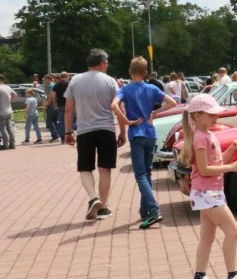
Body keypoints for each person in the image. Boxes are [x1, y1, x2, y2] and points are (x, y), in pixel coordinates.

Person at [180, 94, 237, 279]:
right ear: (197, 116)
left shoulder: (206, 134)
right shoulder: (200, 137)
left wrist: (231, 149)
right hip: (207, 193)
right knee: (233, 232)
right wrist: (232, 167)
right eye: (211, 114)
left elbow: (216, 162)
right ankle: (232, 276)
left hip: (209, 192)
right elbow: (204, 169)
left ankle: (199, 278)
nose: (216, 117)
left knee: (207, 237)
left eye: (216, 114)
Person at [113, 57, 177, 229]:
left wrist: (127, 121)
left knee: (140, 174)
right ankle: (145, 210)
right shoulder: (151, 88)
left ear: (129, 71)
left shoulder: (125, 89)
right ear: (146, 72)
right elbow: (172, 102)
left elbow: (114, 105)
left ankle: (154, 210)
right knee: (147, 174)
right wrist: (155, 113)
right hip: (150, 133)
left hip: (136, 134)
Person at [64, 49, 126, 221]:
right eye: (107, 63)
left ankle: (93, 198)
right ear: (102, 63)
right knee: (105, 168)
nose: (107, 66)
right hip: (106, 129)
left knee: (85, 168)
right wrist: (123, 132)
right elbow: (119, 108)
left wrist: (68, 132)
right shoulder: (110, 81)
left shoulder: (75, 80)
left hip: (84, 130)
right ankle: (102, 207)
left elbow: (68, 109)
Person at [52, 72, 70, 143]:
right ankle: (70, 135)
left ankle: (63, 138)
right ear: (67, 76)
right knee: (70, 121)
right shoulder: (69, 84)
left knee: (62, 122)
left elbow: (53, 96)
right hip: (69, 104)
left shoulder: (56, 85)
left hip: (60, 105)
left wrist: (55, 106)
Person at [42, 74, 59, 142]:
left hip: (51, 105)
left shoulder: (51, 86)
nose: (44, 81)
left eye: (45, 79)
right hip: (53, 105)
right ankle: (57, 135)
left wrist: (47, 104)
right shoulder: (50, 85)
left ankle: (55, 136)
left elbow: (51, 96)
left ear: (49, 79)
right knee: (54, 121)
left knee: (49, 121)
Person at [0, 74, 14, 150]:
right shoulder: (8, 87)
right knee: (9, 127)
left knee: (3, 128)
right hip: (9, 110)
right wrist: (9, 102)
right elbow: (15, 95)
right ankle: (12, 143)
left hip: (1, 111)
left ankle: (5, 145)